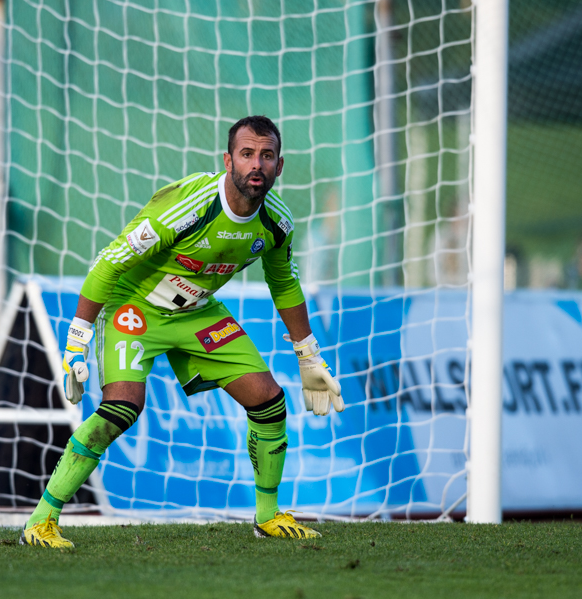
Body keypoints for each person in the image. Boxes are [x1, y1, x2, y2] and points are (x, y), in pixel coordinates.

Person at [19, 116, 345, 549]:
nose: (257, 164)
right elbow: (109, 262)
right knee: (122, 409)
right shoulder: (191, 204)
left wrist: (308, 355)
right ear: (228, 160)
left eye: (266, 156)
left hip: (196, 312)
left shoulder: (277, 223)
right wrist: (77, 339)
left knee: (269, 400)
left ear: (279, 166)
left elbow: (283, 282)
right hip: (132, 304)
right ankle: (41, 521)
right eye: (247, 154)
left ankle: (268, 515)